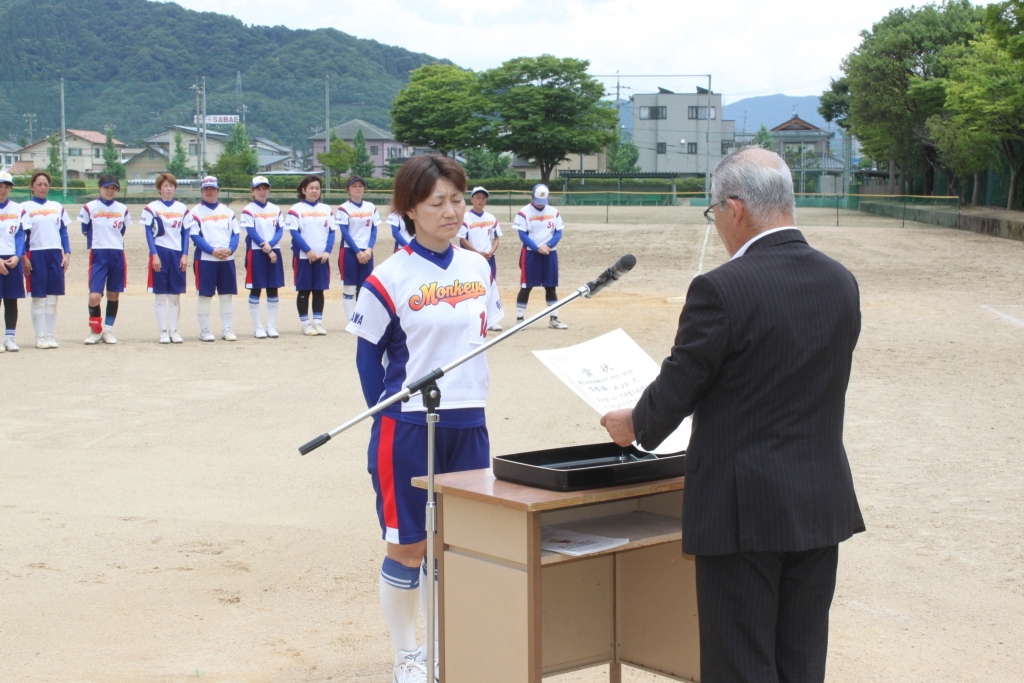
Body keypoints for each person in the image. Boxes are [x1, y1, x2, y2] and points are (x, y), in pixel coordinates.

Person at [600, 147, 864, 683]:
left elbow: (679, 386)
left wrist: (633, 424)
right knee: (801, 661)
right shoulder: (840, 280)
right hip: (819, 500)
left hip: (743, 509)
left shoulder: (722, 288)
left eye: (714, 211)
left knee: (740, 664)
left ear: (735, 209)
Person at [347, 155, 503, 683]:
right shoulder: (387, 277)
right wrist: (386, 414)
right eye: (437, 203)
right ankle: (408, 655)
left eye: (457, 200)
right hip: (408, 426)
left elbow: (483, 333)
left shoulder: (479, 268)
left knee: (454, 546)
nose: (451, 211)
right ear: (409, 210)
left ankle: (443, 649)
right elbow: (368, 358)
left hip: (469, 422)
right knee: (409, 544)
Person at [20, 171, 71, 349]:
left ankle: (50, 335)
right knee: (38, 297)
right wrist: (24, 257)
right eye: (39, 184)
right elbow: (21, 235)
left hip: (55, 253)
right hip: (35, 253)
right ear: (32, 186)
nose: (43, 187)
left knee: (53, 298)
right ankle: (39, 336)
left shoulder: (57, 206)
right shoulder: (24, 207)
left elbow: (63, 231)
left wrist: (67, 253)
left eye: (46, 184)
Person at [79, 174, 131, 345]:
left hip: (117, 253)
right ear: (99, 187)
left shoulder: (122, 209)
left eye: (113, 188)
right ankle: (95, 331)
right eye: (106, 187)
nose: (110, 191)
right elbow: (85, 229)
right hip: (99, 254)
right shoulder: (89, 207)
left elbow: (122, 230)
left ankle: (108, 331)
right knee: (94, 296)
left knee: (113, 294)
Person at [186, 176, 240, 342]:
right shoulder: (195, 212)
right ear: (202, 191)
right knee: (205, 295)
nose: (209, 192)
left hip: (226, 259)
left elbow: (235, 234)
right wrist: (212, 251)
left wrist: (230, 249)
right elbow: (195, 236)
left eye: (212, 189)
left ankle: (227, 328)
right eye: (206, 189)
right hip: (205, 259)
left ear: (218, 190)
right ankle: (205, 330)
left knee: (226, 295)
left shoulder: (228, 212)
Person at [141, 172, 189, 344]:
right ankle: (163, 331)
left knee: (175, 295)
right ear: (159, 189)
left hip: (177, 253)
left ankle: (174, 331)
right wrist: (154, 255)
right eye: (165, 186)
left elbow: (185, 233)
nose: (169, 189)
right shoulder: (151, 208)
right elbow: (148, 232)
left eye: (171, 186)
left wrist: (185, 255)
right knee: (161, 295)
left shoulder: (182, 208)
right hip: (160, 251)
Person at [285, 175, 334, 336]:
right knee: (304, 290)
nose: (314, 191)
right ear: (303, 190)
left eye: (317, 188)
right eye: (311, 188)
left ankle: (318, 323)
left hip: (322, 258)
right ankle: (305, 324)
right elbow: (294, 233)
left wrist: (327, 251)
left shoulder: (326, 209)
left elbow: (331, 232)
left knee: (319, 290)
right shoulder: (296, 209)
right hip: (303, 257)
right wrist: (308, 250)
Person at [514, 183, 567, 329]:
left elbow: (558, 232)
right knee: (526, 286)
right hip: (530, 254)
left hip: (550, 253)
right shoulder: (523, 212)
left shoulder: (554, 212)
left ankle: (554, 319)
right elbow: (522, 234)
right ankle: (520, 319)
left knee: (551, 286)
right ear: (532, 197)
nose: (540, 204)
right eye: (538, 200)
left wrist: (548, 246)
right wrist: (536, 248)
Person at [241, 175, 284, 339]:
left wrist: (270, 246)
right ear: (252, 191)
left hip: (273, 250)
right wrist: (266, 247)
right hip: (256, 252)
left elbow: (279, 230)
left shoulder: (276, 209)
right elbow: (251, 232)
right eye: (258, 189)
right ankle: (258, 326)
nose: (262, 191)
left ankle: (271, 325)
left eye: (264, 188)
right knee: (256, 288)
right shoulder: (248, 210)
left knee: (273, 288)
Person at [457, 186, 503, 332]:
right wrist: (477, 252)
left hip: (488, 259)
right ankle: (470, 318)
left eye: (483, 198)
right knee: (471, 287)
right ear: (471, 199)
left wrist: (491, 251)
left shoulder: (491, 218)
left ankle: (491, 320)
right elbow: (462, 239)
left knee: (489, 287)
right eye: (478, 197)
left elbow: (496, 238)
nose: (481, 200)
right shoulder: (465, 218)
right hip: (471, 258)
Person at [337, 175, 380, 320]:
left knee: (364, 287)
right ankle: (352, 319)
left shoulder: (371, 207)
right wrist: (357, 251)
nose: (358, 188)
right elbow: (345, 232)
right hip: (349, 251)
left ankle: (362, 318)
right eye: (354, 186)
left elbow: (374, 230)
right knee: (350, 286)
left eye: (360, 186)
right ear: (348, 189)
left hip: (367, 251)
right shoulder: (343, 208)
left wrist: (369, 249)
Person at [0, 171, 24, 352]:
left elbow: (20, 234)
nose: (3, 190)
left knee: (11, 300)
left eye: (6, 187)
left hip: (12, 260)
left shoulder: (17, 209)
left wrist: (18, 255)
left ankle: (10, 338)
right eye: (0, 186)